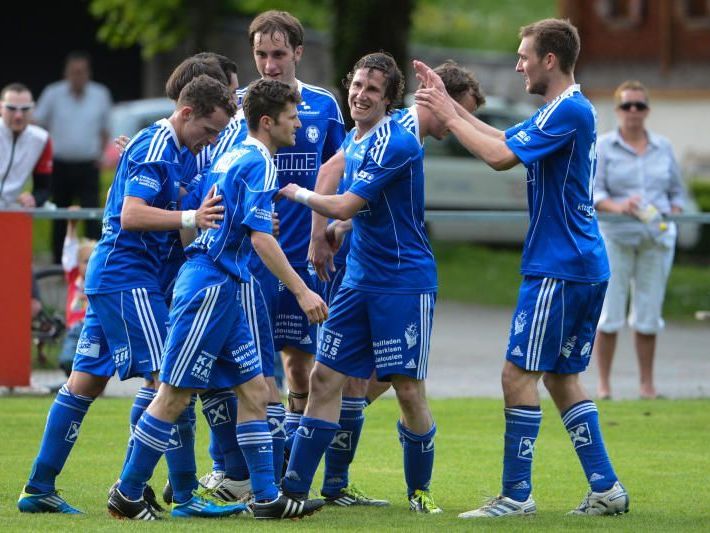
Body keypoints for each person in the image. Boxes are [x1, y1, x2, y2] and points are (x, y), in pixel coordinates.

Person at [414, 18, 629, 518]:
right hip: (580, 263)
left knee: (517, 375)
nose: (518, 64)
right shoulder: (565, 109)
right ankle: (607, 489)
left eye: (524, 55)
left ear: (549, 60)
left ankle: (516, 496)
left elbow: (498, 156)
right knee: (560, 377)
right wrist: (450, 108)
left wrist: (446, 108)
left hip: (559, 266)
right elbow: (504, 137)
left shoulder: (568, 110)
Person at [108, 78, 328, 521]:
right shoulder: (261, 161)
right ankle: (128, 492)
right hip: (210, 284)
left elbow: (222, 212)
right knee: (174, 394)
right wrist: (302, 290)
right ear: (268, 122)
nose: (299, 123)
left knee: (254, 389)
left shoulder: (232, 153)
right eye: (292, 117)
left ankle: (266, 497)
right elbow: (262, 237)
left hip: (227, 283)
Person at [18, 74, 234, 515]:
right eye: (208, 131)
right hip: (126, 276)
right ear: (187, 112)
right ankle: (178, 494)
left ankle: (38, 487)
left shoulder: (169, 146)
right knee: (170, 380)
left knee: (85, 383)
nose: (208, 141)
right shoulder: (157, 145)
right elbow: (133, 214)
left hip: (117, 277)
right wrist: (191, 215)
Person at [307, 60, 485, 503]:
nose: (461, 122)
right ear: (437, 95)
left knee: (369, 384)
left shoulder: (398, 136)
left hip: (382, 268)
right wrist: (318, 238)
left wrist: (340, 229)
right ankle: (322, 476)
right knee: (348, 382)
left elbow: (377, 204)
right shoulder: (393, 130)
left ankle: (344, 482)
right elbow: (332, 171)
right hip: (373, 275)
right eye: (459, 110)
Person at [197, 9, 353, 504]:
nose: (268, 63)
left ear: (298, 53)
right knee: (244, 367)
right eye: (261, 54)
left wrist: (329, 227)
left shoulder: (324, 105)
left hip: (301, 255)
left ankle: (285, 471)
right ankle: (234, 469)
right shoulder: (239, 107)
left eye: (278, 54)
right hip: (247, 258)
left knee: (298, 366)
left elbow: (339, 171)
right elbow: (211, 169)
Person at [278, 51, 443, 514]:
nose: (360, 95)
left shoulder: (396, 142)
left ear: (389, 99)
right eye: (356, 86)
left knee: (406, 388)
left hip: (403, 283)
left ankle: (420, 494)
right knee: (324, 376)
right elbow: (366, 210)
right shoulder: (354, 138)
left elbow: (348, 202)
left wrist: (296, 193)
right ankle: (294, 489)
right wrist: (332, 232)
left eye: (372, 89)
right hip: (358, 281)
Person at [593, 80, 685, 400]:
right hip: (615, 235)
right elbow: (594, 192)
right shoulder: (603, 145)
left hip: (655, 238)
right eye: (627, 105)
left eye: (640, 105)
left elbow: (677, 191)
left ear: (647, 110)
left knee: (648, 312)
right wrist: (620, 206)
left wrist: (672, 210)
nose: (633, 111)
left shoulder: (663, 147)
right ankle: (604, 385)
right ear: (617, 110)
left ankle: (647, 385)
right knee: (609, 311)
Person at [33, 51, 112, 263]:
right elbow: (39, 123)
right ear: (66, 73)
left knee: (91, 213)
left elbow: (105, 130)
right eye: (74, 72)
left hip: (88, 165)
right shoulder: (53, 93)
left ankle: (94, 260)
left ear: (88, 73)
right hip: (60, 164)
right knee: (60, 212)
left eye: (82, 72)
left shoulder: (100, 94)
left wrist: (101, 154)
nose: (78, 76)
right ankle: (59, 260)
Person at [0, 83, 52, 209]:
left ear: (33, 109)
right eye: (11, 108)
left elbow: (44, 187)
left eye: (25, 109)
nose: (18, 116)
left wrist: (33, 199)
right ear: (1, 107)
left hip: (13, 212)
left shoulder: (42, 139)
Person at [57, 209, 96, 376]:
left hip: (92, 327)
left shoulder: (99, 281)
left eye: (93, 261)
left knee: (91, 361)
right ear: (78, 264)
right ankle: (71, 383)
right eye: (85, 261)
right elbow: (69, 252)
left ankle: (90, 384)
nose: (89, 266)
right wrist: (71, 226)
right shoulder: (75, 278)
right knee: (68, 358)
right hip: (75, 328)